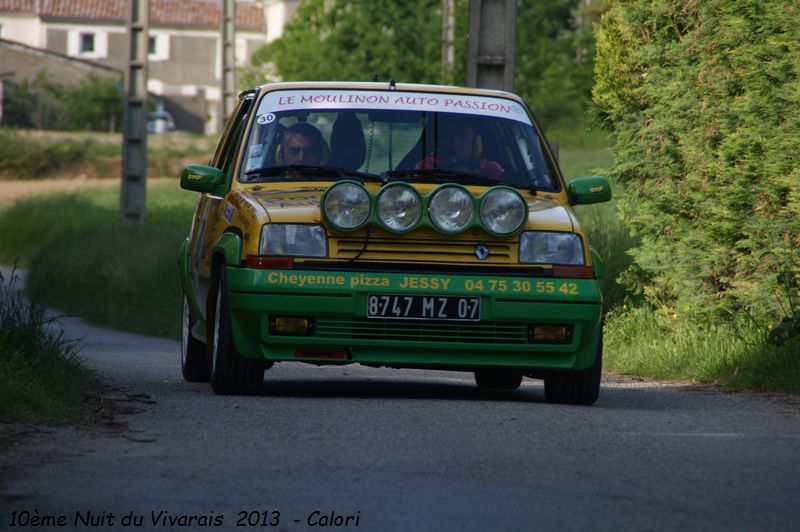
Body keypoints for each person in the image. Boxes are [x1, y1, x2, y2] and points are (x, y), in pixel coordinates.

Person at [416, 116, 503, 179]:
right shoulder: (426, 166)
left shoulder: (489, 169)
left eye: (462, 135)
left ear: (474, 139)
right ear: (439, 140)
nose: (454, 143)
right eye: (448, 136)